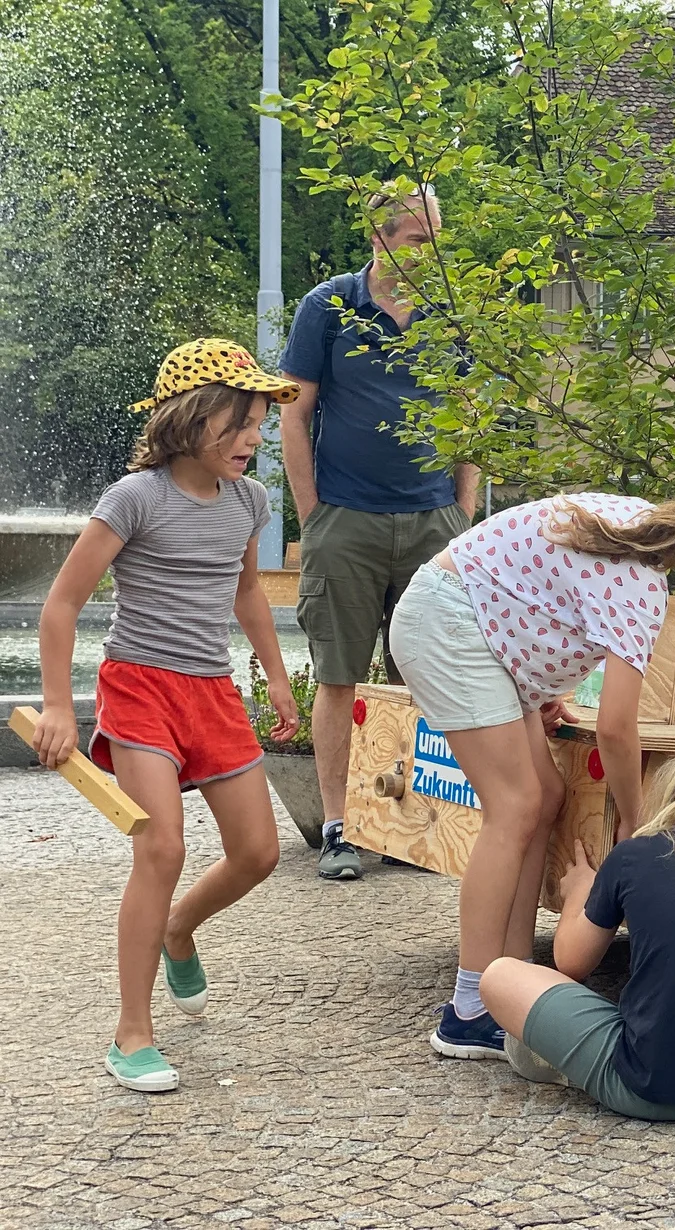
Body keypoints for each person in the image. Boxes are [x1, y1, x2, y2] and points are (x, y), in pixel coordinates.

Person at [388, 472, 675, 1058]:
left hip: (471, 624)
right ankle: (468, 1010)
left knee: (543, 798)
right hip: (447, 623)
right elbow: (618, 729)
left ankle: (507, 977)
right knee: (514, 805)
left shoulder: (640, 523)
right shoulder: (642, 583)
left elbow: (539, 590)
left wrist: (540, 684)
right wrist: (634, 817)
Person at [31, 340, 301, 1091]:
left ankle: (180, 928)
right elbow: (61, 604)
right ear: (191, 419)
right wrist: (58, 705)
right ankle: (131, 1033)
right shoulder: (135, 498)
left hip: (211, 691)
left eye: (259, 424)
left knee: (258, 853)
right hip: (140, 687)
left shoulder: (249, 502)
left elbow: (247, 592)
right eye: (242, 422)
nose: (254, 439)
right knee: (162, 847)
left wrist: (275, 678)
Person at [278, 185, 478, 883]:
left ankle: (407, 826)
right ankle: (339, 828)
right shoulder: (327, 308)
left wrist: (463, 518)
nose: (432, 253)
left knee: (421, 677)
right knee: (338, 677)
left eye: (436, 238)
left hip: (432, 523)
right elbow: (294, 417)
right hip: (347, 521)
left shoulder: (450, 316)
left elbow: (467, 421)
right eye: (420, 238)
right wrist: (314, 516)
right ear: (380, 237)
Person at [480, 711, 675, 1120]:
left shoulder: (635, 854)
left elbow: (571, 962)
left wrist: (580, 890)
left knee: (499, 975)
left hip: (650, 1090)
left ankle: (573, 1065)